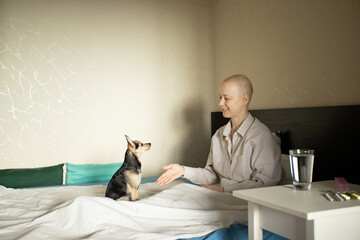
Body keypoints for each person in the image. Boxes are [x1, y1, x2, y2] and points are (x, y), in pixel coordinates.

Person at [156, 74, 281, 192]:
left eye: (226, 98)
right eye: (220, 97)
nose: (220, 103)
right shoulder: (219, 135)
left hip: (247, 201)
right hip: (220, 195)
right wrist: (183, 171)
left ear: (244, 99)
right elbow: (212, 175)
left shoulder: (261, 136)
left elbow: (265, 183)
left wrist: (225, 190)